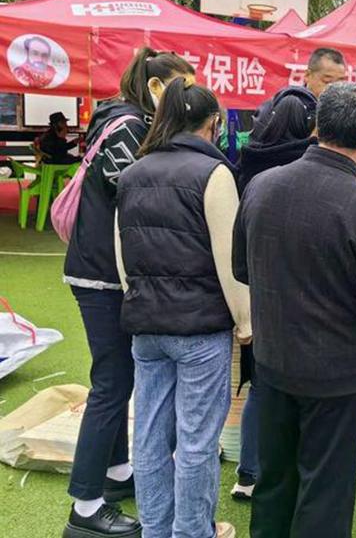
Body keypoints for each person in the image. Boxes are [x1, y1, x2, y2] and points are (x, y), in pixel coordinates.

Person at [234, 82, 356, 538]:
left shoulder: (261, 185)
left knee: (274, 481)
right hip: (337, 374)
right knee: (325, 491)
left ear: (317, 127)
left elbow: (241, 268)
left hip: (274, 360)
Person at [62, 49, 194, 538]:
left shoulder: (123, 120)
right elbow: (137, 196)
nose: (187, 98)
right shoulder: (129, 128)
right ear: (156, 87)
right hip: (101, 274)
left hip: (102, 271)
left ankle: (116, 473)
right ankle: (84, 507)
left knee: (119, 379)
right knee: (111, 384)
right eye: (181, 87)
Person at [115, 79, 249, 538]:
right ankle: (192, 531)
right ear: (213, 123)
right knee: (197, 440)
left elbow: (122, 256)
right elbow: (230, 261)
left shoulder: (133, 173)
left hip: (146, 325)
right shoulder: (214, 174)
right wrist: (245, 321)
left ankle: (156, 528)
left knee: (149, 435)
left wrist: (139, 299)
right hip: (200, 329)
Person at [231, 85, 319, 502]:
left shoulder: (247, 161)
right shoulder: (308, 165)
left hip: (257, 288)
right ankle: (294, 470)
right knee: (301, 388)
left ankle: (248, 473)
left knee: (260, 385)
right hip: (303, 291)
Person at [250, 47, 345, 132]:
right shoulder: (282, 105)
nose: (334, 88)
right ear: (307, 75)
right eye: (327, 81)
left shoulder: (344, 110)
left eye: (340, 83)